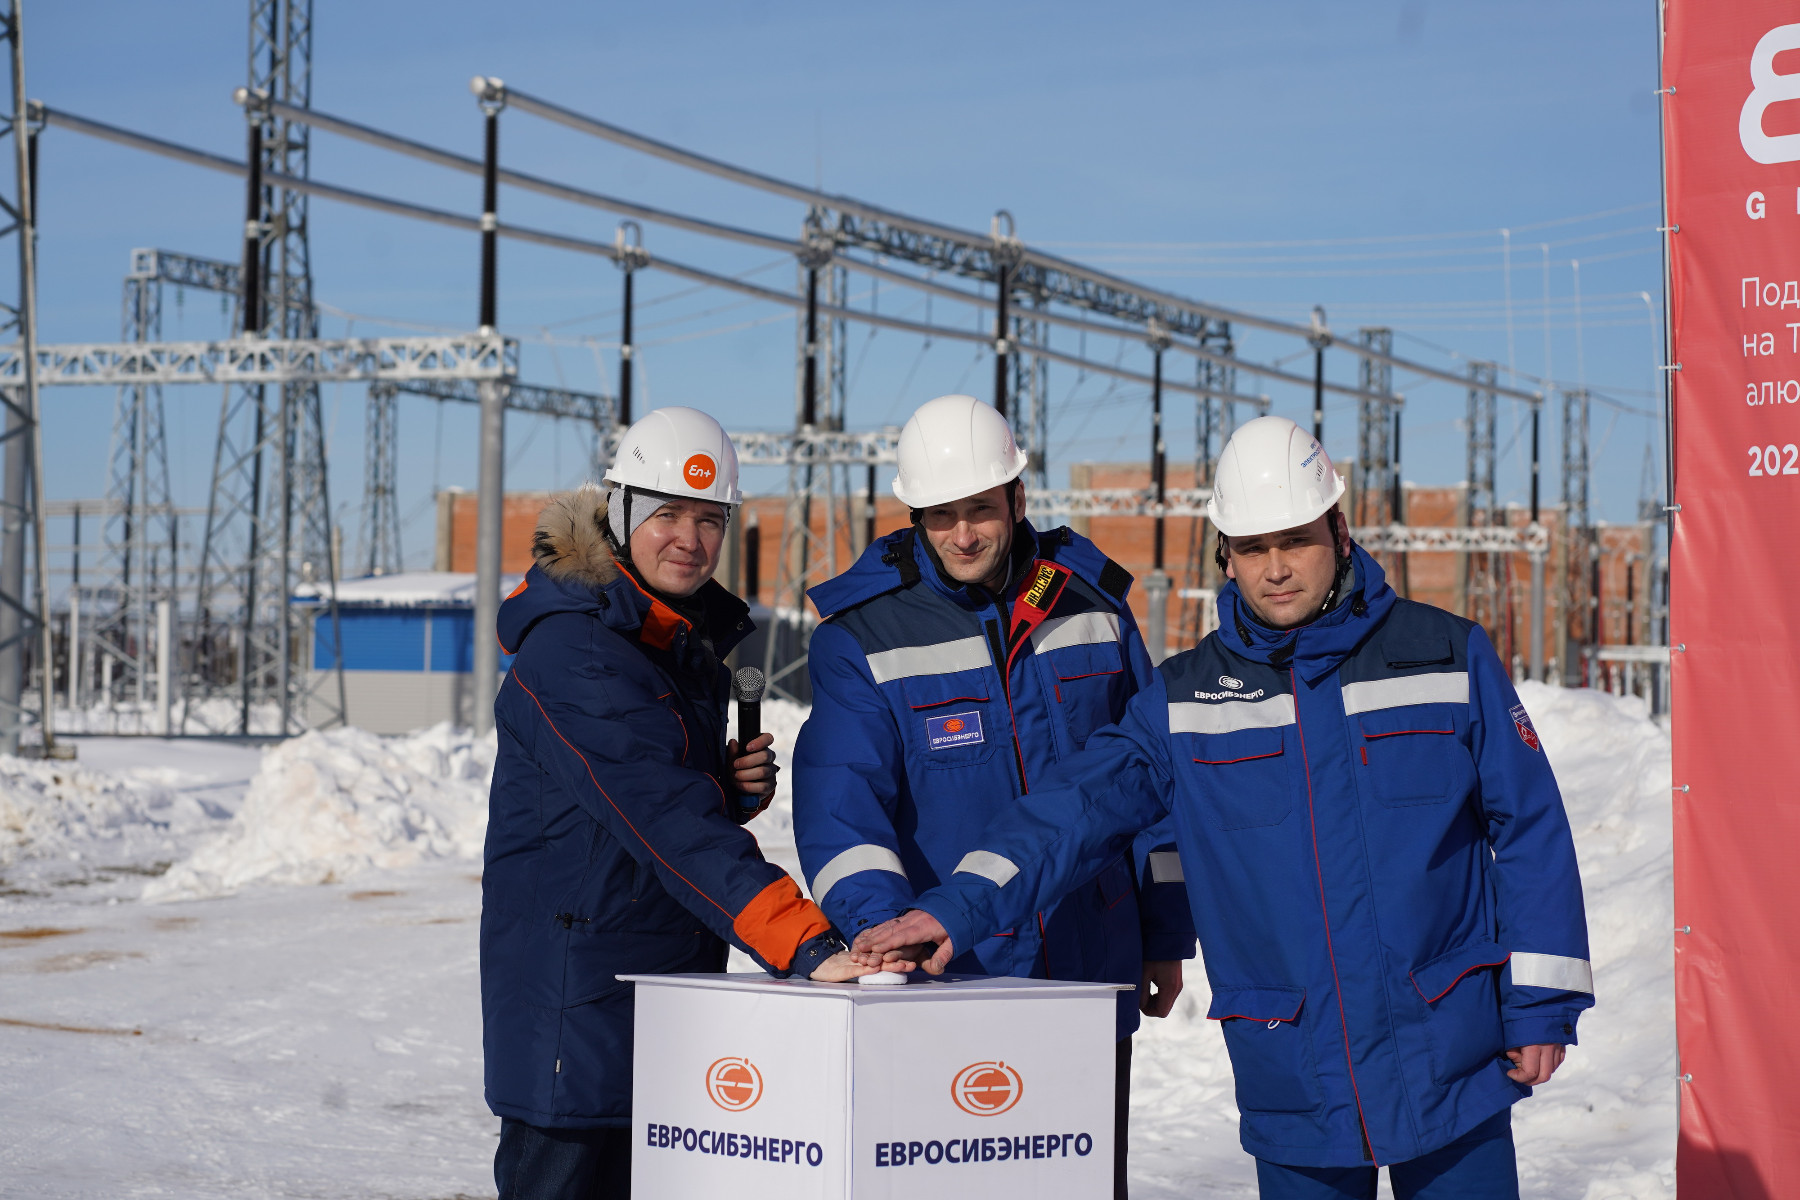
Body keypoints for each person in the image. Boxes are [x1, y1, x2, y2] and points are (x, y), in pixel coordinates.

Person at [853, 415, 1594, 1200]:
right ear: (1226, 557)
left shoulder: (1446, 656)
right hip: (1295, 1069)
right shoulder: (1185, 700)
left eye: (1295, 540)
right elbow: (1071, 812)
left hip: (1451, 1051)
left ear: (1339, 532)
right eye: (1251, 547)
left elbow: (1531, 830)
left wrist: (1542, 1004)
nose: (1276, 569)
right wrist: (954, 909)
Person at [791, 393, 1196, 1199]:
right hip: (953, 977)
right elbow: (843, 812)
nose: (964, 535)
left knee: (1085, 1185)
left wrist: (1165, 932)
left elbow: (1150, 788)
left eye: (980, 509)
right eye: (941, 516)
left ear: (1017, 497)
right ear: (915, 515)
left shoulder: (1092, 604)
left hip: (1089, 968)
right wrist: (885, 939)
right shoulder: (861, 637)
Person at [481, 406, 871, 1200]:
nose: (689, 539)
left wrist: (720, 789)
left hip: (656, 995)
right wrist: (802, 940)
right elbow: (665, 820)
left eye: (710, 519)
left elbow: (638, 810)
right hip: (576, 1010)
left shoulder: (663, 640)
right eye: (667, 515)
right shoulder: (578, 650)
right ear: (621, 513)